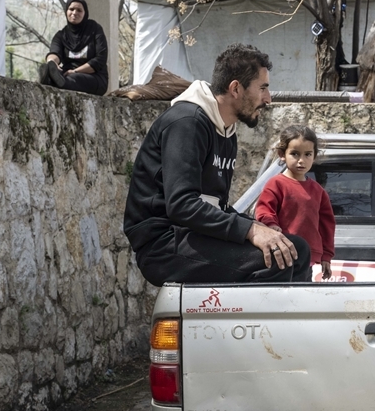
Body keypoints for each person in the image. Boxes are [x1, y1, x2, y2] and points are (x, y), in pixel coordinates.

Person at [123, 43, 310, 286]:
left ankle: (285, 325)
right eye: (262, 88)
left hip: (193, 235)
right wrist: (250, 231)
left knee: (296, 250)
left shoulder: (226, 130)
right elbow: (182, 205)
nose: (268, 98)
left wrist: (257, 226)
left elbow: (215, 205)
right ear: (235, 88)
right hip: (163, 244)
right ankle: (248, 325)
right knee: (278, 258)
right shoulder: (187, 123)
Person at [255, 126, 336, 280]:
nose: (301, 160)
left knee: (302, 298)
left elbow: (327, 226)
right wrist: (271, 225)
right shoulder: (275, 184)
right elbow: (265, 210)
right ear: (282, 154)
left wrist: (326, 256)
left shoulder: (318, 191)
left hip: (308, 260)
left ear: (314, 156)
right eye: (295, 154)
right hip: (281, 255)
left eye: (307, 154)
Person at [39, 0, 109, 96]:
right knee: (60, 74)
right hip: (67, 74)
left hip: (95, 77)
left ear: (85, 14)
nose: (74, 13)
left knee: (74, 78)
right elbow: (55, 52)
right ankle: (52, 77)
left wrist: (75, 71)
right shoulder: (61, 35)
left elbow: (100, 59)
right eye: (71, 9)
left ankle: (53, 81)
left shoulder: (95, 30)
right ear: (66, 11)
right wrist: (52, 62)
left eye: (79, 10)